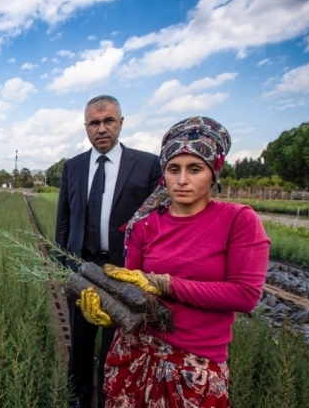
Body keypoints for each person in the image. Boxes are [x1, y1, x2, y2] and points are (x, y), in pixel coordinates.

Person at [87, 116, 270, 407]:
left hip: (193, 368)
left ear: (214, 172)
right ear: (164, 174)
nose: (182, 180)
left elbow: (245, 295)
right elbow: (133, 292)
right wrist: (109, 311)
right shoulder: (144, 224)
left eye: (194, 169)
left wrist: (164, 284)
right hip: (134, 355)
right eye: (174, 169)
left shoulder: (238, 220)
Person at [56, 95, 162, 408]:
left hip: (123, 270)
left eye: (109, 121)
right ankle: (79, 397)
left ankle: (110, 399)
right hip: (81, 266)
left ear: (121, 123)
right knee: (81, 339)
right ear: (85, 127)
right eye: (94, 123)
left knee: (117, 341)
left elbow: (158, 223)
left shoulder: (147, 165)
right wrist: (65, 265)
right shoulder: (72, 167)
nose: (102, 128)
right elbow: (63, 221)